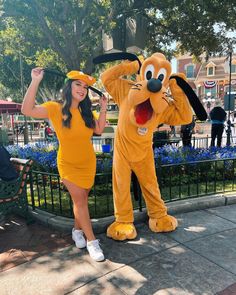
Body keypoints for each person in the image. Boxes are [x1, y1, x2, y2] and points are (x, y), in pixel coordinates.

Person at [21, 68, 108, 262]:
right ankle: (92, 242)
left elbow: (100, 130)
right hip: (68, 164)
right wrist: (35, 81)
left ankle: (77, 230)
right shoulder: (55, 107)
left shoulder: (86, 112)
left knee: (82, 200)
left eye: (85, 86)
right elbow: (27, 110)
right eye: (78, 84)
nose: (82, 89)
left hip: (88, 163)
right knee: (80, 202)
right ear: (69, 86)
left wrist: (103, 107)